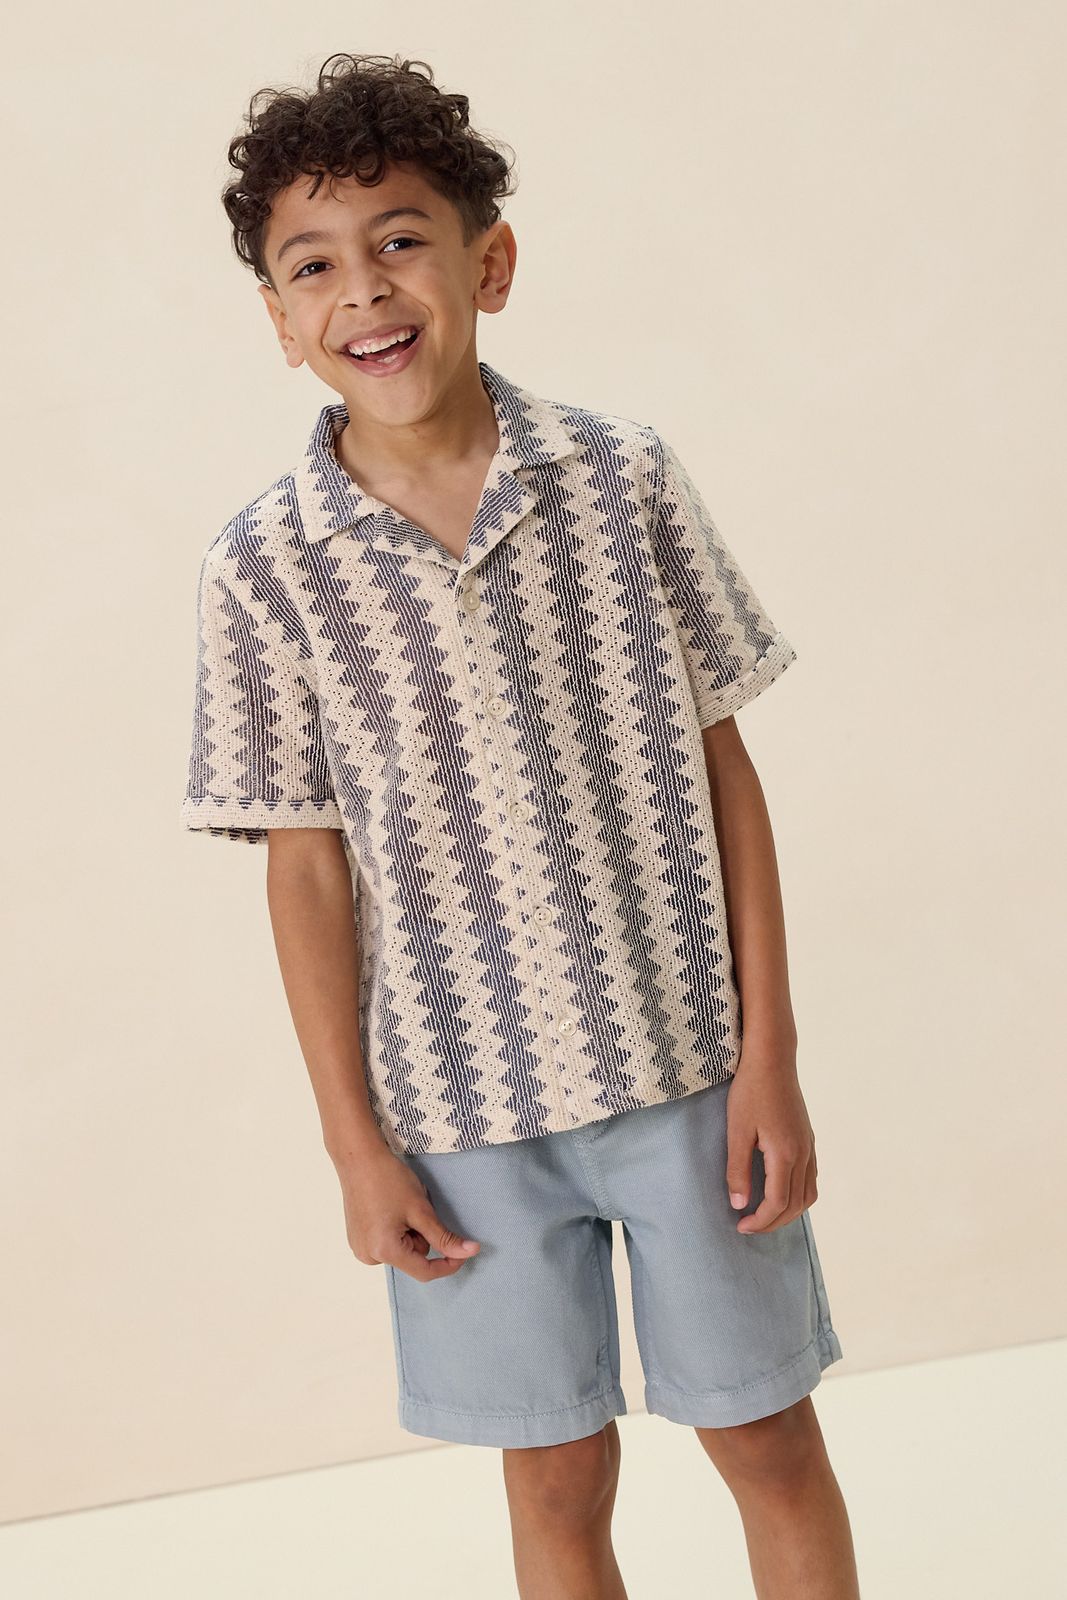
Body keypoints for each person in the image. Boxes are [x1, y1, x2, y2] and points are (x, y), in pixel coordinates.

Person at [180, 49, 860, 1600]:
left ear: (489, 262)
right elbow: (303, 867)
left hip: (690, 1077)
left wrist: (770, 1054)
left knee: (766, 1440)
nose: (366, 288)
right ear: (279, 321)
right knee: (553, 1477)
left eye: (401, 240)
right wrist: (354, 1143)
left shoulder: (621, 479)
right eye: (314, 265)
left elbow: (726, 773)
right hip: (458, 1119)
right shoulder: (263, 567)